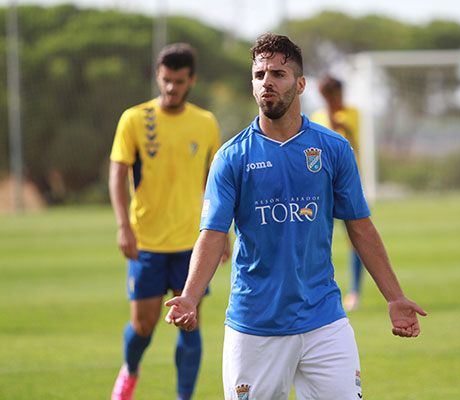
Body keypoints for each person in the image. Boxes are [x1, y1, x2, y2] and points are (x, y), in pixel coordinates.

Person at [164, 33, 426, 400]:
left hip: (324, 321)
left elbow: (360, 226)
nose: (266, 82)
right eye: (259, 75)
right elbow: (211, 234)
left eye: (278, 74)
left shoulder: (333, 149)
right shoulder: (231, 157)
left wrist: (394, 297)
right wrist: (190, 297)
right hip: (255, 325)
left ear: (300, 84)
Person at [109, 43, 228, 400]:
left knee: (189, 324)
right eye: (166, 80)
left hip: (192, 244)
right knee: (143, 326)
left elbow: (215, 181)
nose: (171, 88)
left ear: (191, 80)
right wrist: (122, 225)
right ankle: (130, 371)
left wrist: (223, 233)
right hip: (146, 242)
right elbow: (117, 174)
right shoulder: (134, 119)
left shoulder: (205, 123)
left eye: (179, 81)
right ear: (158, 78)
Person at [311, 75, 364, 311]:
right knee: (317, 240)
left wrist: (335, 118)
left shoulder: (352, 114)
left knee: (357, 239)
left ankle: (354, 292)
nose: (334, 99)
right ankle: (316, 290)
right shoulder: (316, 118)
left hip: (349, 187)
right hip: (322, 188)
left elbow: (349, 139)